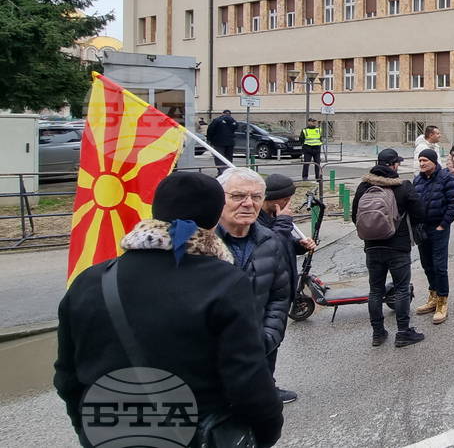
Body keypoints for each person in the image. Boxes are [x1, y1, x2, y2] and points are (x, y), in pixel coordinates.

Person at [54, 173, 284, 448]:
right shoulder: (224, 281)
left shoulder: (90, 280)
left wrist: (85, 426)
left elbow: (67, 374)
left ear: (156, 210)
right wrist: (267, 431)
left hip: (107, 432)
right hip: (193, 431)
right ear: (215, 218)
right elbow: (246, 377)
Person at [215, 168, 295, 403]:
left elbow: (279, 296)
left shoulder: (270, 241)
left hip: (261, 342)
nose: (248, 204)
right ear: (220, 199)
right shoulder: (199, 243)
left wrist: (268, 337)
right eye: (238, 196)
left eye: (256, 197)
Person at [352, 149, 427, 348]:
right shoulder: (403, 186)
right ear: (394, 165)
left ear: (377, 163)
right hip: (398, 246)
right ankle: (403, 332)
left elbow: (354, 217)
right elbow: (419, 214)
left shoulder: (363, 187)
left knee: (375, 290)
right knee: (401, 289)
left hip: (371, 246)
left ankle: (378, 333)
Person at [256, 174, 316, 380]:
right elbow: (270, 248)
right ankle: (265, 388)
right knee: (264, 344)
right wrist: (283, 223)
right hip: (265, 294)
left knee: (274, 342)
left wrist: (299, 245)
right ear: (272, 199)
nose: (289, 204)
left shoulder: (275, 217)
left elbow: (285, 244)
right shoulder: (257, 221)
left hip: (281, 291)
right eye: (286, 200)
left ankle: (269, 384)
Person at [413, 149, 454, 325]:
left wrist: (443, 224)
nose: (422, 164)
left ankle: (442, 301)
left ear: (434, 162)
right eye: (420, 160)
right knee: (427, 264)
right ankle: (433, 295)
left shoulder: (446, 178)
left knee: (439, 266)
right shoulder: (417, 180)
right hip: (422, 229)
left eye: (425, 160)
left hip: (439, 228)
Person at [206, 109, 238, 175]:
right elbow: (235, 129)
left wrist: (210, 139)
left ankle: (222, 173)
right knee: (228, 158)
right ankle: (228, 173)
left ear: (222, 113)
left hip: (218, 142)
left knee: (219, 158)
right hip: (230, 142)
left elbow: (210, 130)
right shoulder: (234, 122)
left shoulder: (217, 121)